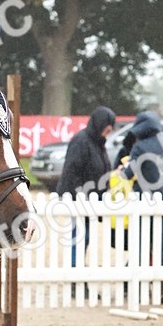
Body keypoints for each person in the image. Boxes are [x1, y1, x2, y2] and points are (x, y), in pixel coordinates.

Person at [56, 106, 116, 276]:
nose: (108, 132)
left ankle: (78, 270)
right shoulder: (81, 141)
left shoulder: (98, 143)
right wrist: (81, 198)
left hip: (90, 201)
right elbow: (72, 171)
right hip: (79, 199)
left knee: (85, 237)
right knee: (79, 237)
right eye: (107, 128)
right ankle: (75, 274)